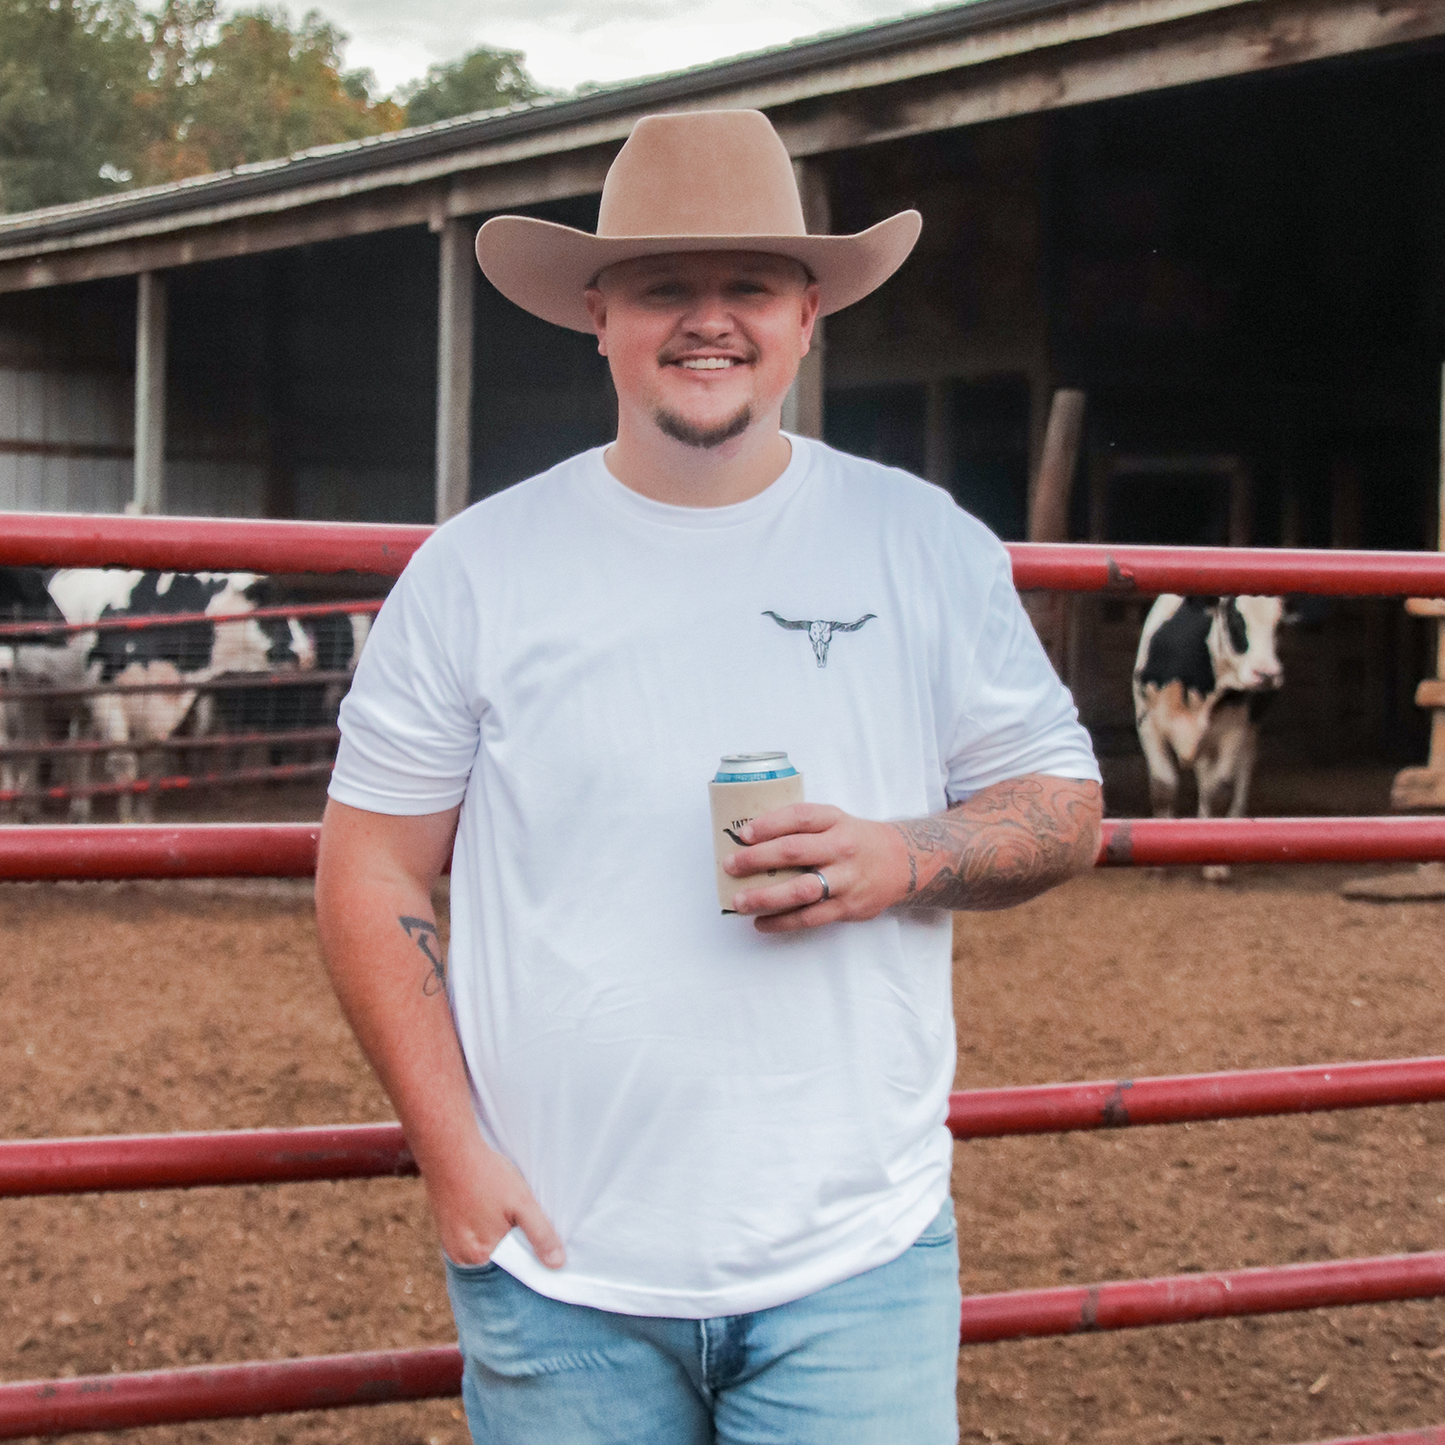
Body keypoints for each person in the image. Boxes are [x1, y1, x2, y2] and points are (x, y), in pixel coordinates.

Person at [316, 108, 1102, 1445]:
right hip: (561, 1273)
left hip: (855, 1261)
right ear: (597, 310)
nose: (708, 322)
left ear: (808, 312)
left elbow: (1061, 802)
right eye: (665, 287)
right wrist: (455, 1158)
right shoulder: (477, 571)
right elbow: (371, 863)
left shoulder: (919, 544)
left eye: (747, 286)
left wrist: (903, 858)